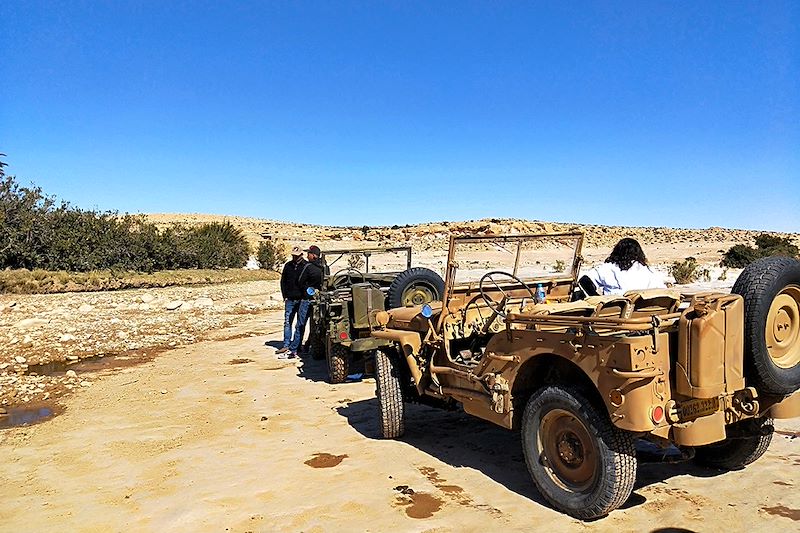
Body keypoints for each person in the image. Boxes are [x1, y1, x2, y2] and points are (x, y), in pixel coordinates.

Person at [580, 238, 666, 296]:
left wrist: (596, 299)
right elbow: (661, 290)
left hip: (612, 315)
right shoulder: (649, 271)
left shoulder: (608, 268)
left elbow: (584, 280)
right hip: (644, 315)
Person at [289, 245, 324, 357]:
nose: (307, 255)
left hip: (307, 299)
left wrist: (306, 289)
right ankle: (310, 345)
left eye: (309, 253)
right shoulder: (324, 267)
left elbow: (300, 281)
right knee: (317, 325)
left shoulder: (308, 267)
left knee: (300, 324)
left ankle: (295, 348)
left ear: (313, 255)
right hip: (321, 299)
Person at [275, 246, 306, 359]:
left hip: (302, 299)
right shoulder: (288, 266)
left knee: (300, 324)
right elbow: (283, 281)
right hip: (290, 299)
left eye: (297, 256)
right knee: (288, 322)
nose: (295, 257)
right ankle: (286, 345)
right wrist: (285, 295)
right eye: (293, 255)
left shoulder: (305, 266)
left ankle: (297, 345)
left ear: (301, 255)